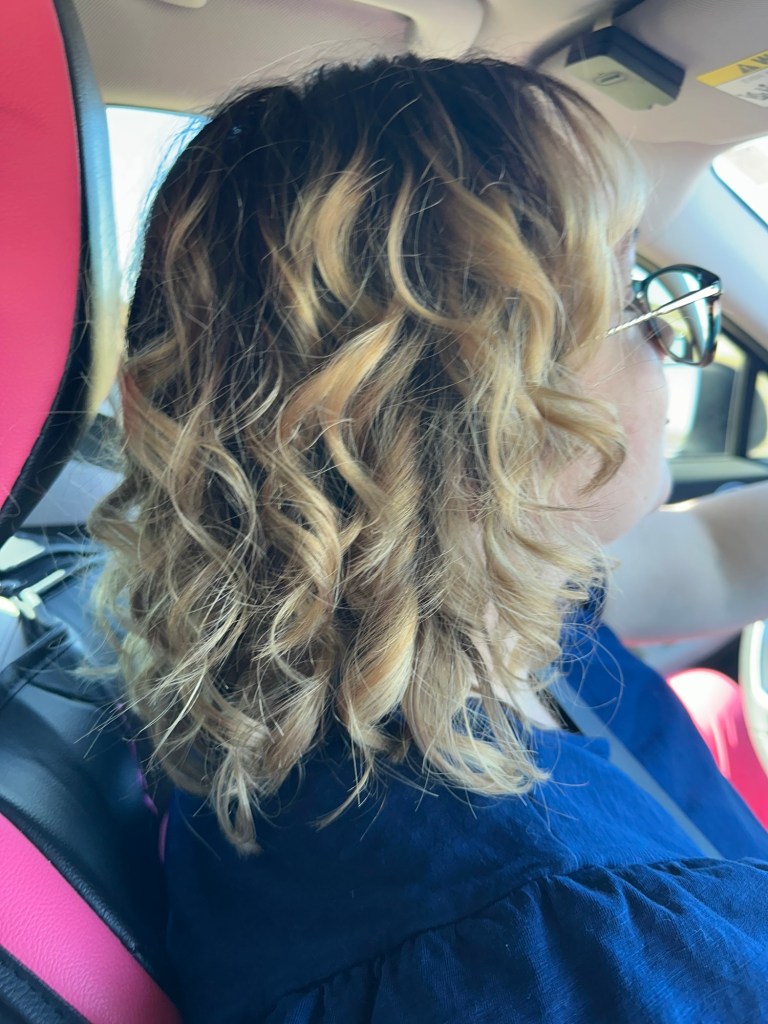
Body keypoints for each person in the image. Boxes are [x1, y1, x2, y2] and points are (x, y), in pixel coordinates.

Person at [90, 55, 768, 1023]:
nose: (671, 340)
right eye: (632, 303)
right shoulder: (545, 955)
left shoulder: (450, 621)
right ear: (484, 410)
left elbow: (722, 559)